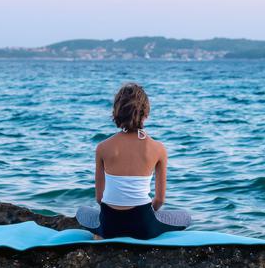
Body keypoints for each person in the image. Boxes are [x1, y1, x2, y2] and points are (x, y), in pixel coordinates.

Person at [76, 83, 191, 239]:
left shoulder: (102, 147)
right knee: (185, 217)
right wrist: (144, 216)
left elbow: (99, 198)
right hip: (143, 228)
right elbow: (159, 200)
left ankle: (101, 233)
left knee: (81, 212)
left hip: (109, 227)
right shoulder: (158, 149)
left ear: (117, 112)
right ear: (145, 113)